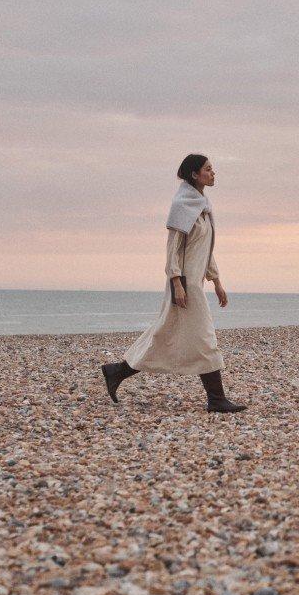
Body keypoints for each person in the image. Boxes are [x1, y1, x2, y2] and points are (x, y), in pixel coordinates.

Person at [101, 154, 246, 413]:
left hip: (196, 282)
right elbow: (173, 249)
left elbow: (205, 249)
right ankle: (216, 398)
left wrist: (217, 281)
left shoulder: (203, 204)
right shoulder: (182, 205)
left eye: (213, 169)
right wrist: (176, 283)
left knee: (165, 334)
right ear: (194, 174)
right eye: (208, 169)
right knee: (204, 336)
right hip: (184, 284)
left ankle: (116, 372)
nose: (213, 173)